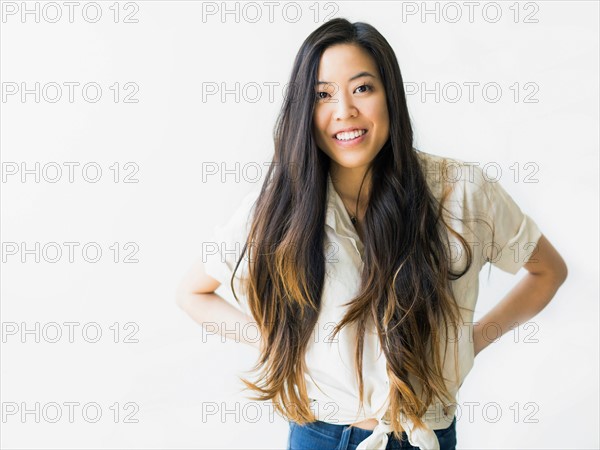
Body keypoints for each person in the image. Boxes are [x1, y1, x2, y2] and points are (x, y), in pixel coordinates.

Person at [176, 18, 568, 450]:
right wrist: (279, 341)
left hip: (426, 434)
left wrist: (471, 342)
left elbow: (547, 270)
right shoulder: (279, 206)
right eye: (322, 95)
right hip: (320, 434)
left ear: (390, 95)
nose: (344, 110)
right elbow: (194, 293)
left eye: (362, 88)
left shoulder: (461, 191)